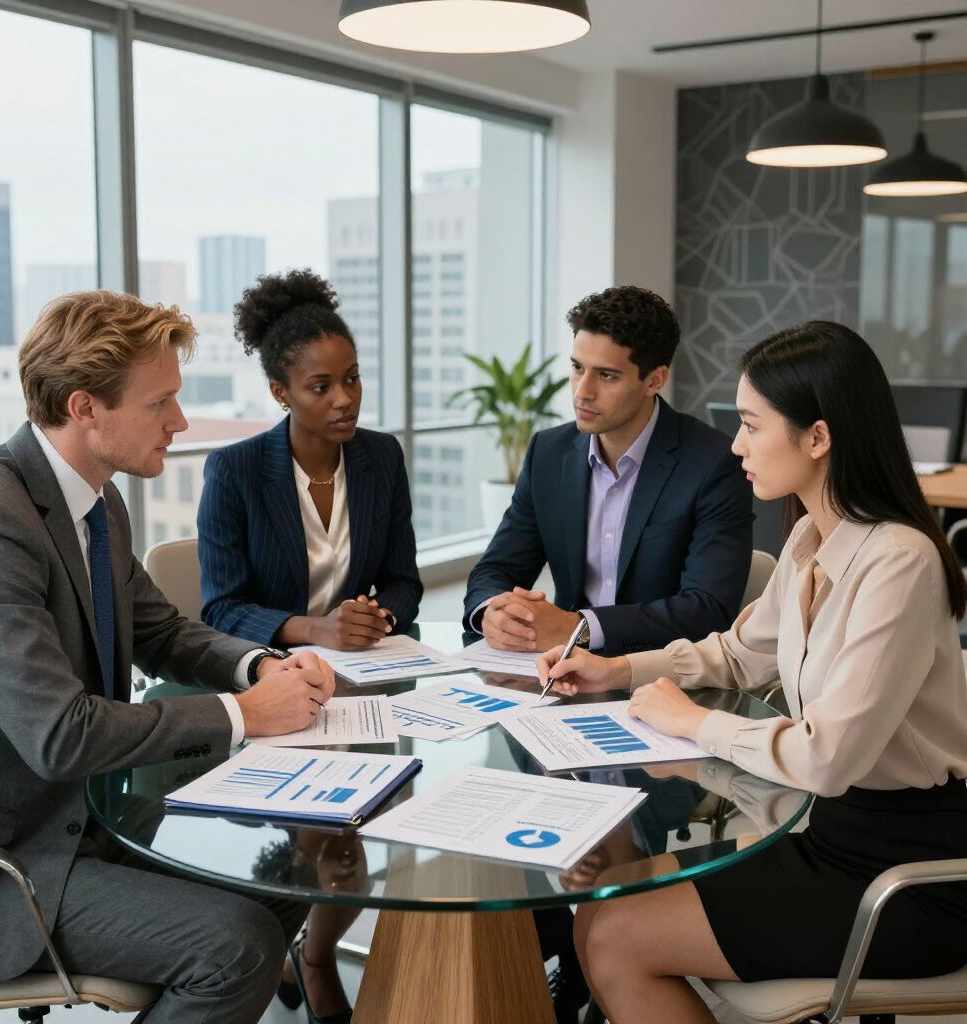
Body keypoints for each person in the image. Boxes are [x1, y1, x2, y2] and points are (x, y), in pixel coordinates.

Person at [539, 321, 967, 1024]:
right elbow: (738, 653)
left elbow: (826, 760)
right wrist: (612, 669)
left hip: (902, 874)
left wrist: (695, 721)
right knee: (605, 900)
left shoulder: (901, 562)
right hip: (822, 835)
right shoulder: (809, 537)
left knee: (617, 939)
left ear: (818, 438)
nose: (735, 444)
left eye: (749, 424)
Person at [0, 290, 337, 1024]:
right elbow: (62, 735)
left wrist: (260, 669)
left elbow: (163, 630)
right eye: (161, 403)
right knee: (239, 945)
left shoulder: (95, 499)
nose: (180, 422)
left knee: (289, 874)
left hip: (85, 821)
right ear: (85, 406)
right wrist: (242, 715)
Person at [197, 268, 421, 1023]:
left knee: (369, 830)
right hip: (278, 689)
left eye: (352, 379)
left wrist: (375, 616)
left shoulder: (381, 459)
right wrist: (312, 629)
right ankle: (308, 954)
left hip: (371, 688)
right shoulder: (234, 471)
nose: (345, 399)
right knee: (327, 838)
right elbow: (220, 606)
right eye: (321, 386)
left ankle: (315, 951)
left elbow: (405, 581)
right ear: (280, 393)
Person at [463, 284, 753, 660]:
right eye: (577, 368)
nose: (582, 392)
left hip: (659, 673)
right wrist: (493, 612)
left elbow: (707, 608)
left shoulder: (714, 463)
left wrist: (579, 628)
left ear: (654, 379)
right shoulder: (548, 453)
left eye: (607, 376)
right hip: (561, 670)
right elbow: (497, 568)